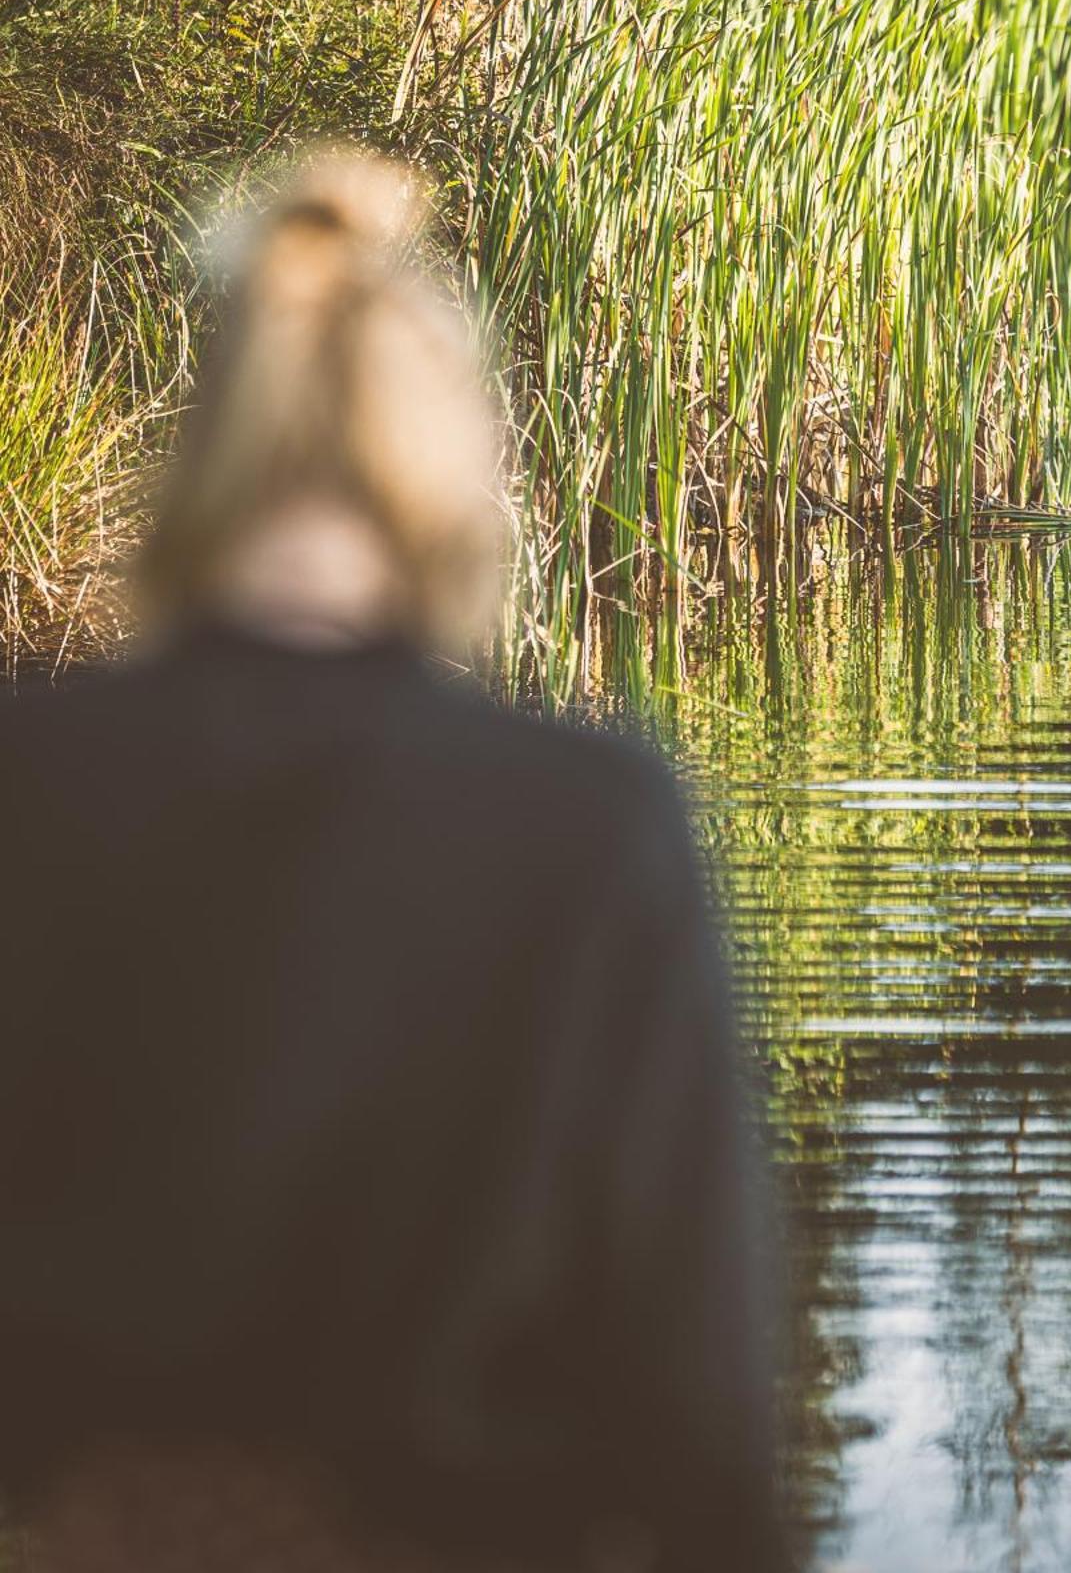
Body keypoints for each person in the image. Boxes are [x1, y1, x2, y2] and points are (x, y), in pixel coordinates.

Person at [0, 153, 785, 1572]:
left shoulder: (29, 788)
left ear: (204, 443)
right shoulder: (592, 825)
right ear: (450, 472)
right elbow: (700, 1410)